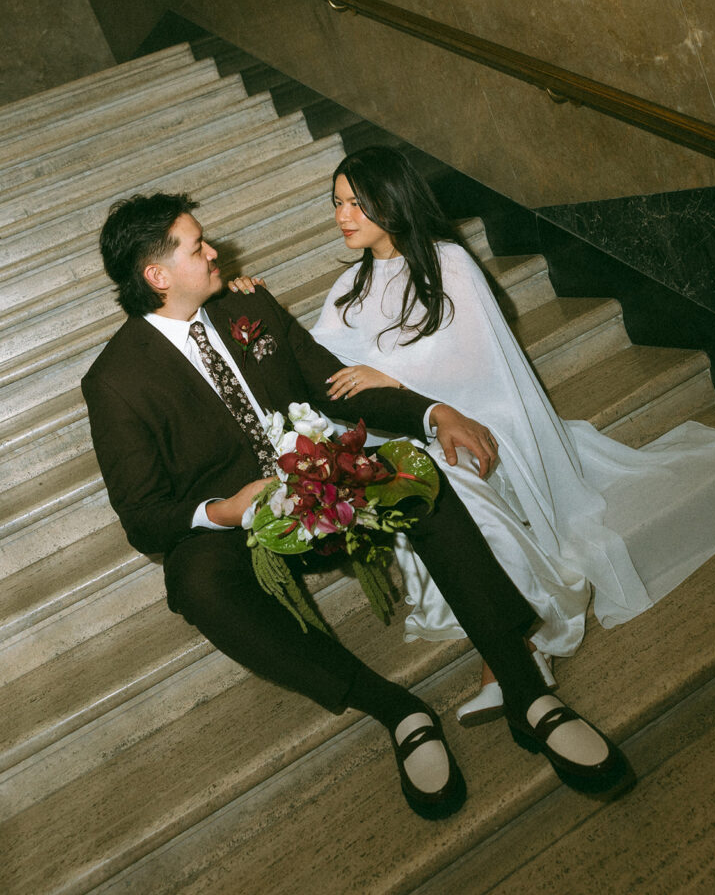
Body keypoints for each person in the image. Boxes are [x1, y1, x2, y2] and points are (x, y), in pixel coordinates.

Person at [82, 192, 633, 824]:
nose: (214, 251)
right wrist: (225, 511)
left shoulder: (246, 304)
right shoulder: (116, 381)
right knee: (194, 582)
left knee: (415, 477)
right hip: (246, 521)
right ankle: (396, 711)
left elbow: (334, 388)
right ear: (157, 276)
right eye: (196, 245)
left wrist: (432, 412)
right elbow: (143, 515)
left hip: (327, 479)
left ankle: (524, 690)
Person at [231, 145, 715, 728]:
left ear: (394, 199)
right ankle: (513, 651)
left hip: (482, 417)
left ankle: (521, 651)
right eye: (337, 203)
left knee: (452, 482)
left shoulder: (447, 261)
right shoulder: (348, 289)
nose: (343, 215)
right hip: (412, 429)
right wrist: (253, 310)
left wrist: (394, 375)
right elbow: (323, 370)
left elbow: (476, 361)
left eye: (358, 202)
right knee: (414, 481)